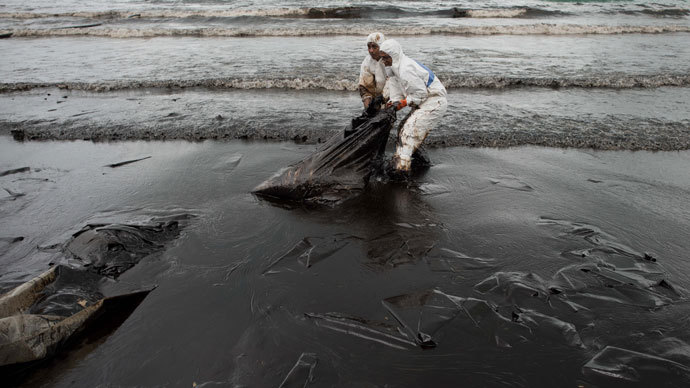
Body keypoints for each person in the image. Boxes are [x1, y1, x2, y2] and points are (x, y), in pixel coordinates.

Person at [378, 39, 447, 172]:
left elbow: (420, 94)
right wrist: (393, 103)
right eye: (382, 58)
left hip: (434, 100)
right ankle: (421, 162)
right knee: (402, 129)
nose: (384, 61)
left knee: (408, 132)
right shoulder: (393, 69)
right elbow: (396, 93)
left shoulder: (405, 69)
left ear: (394, 55)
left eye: (386, 57)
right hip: (425, 100)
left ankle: (401, 169)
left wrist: (403, 103)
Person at [358, 32, 388, 109]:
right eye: (369, 47)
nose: (371, 50)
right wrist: (368, 109)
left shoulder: (389, 61)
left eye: (374, 47)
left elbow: (393, 84)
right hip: (376, 96)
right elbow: (365, 87)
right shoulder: (367, 62)